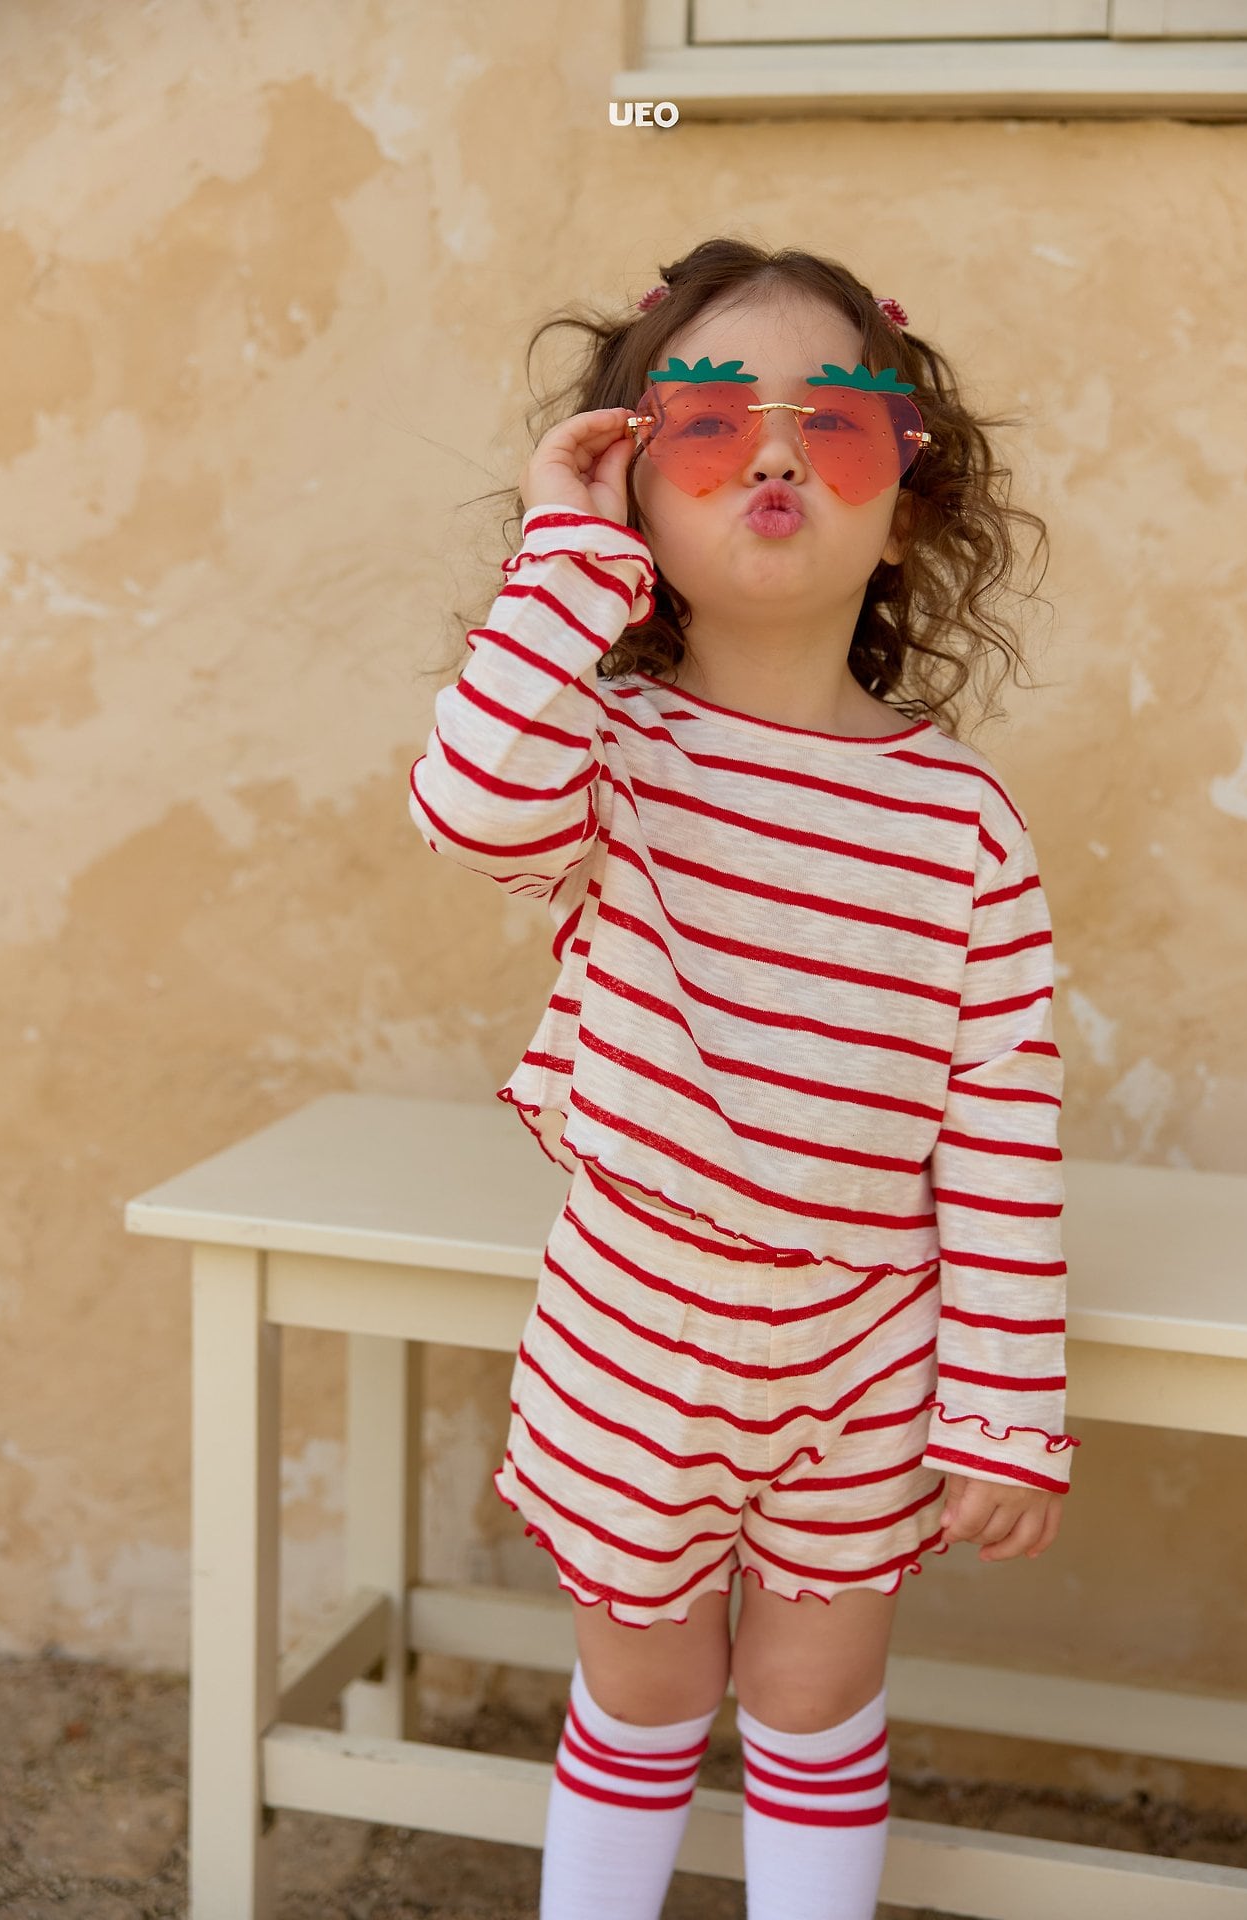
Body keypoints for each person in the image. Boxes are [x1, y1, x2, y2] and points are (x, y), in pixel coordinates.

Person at [407, 236, 1081, 1920]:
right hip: (635, 1322)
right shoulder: (607, 756)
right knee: (643, 1694)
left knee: (812, 1696)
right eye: (707, 425)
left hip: (869, 1344)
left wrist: (1002, 1404)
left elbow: (1003, 1127)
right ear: (639, 494)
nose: (773, 456)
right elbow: (467, 801)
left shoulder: (962, 824)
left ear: (905, 504)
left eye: (831, 423)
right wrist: (565, 555)